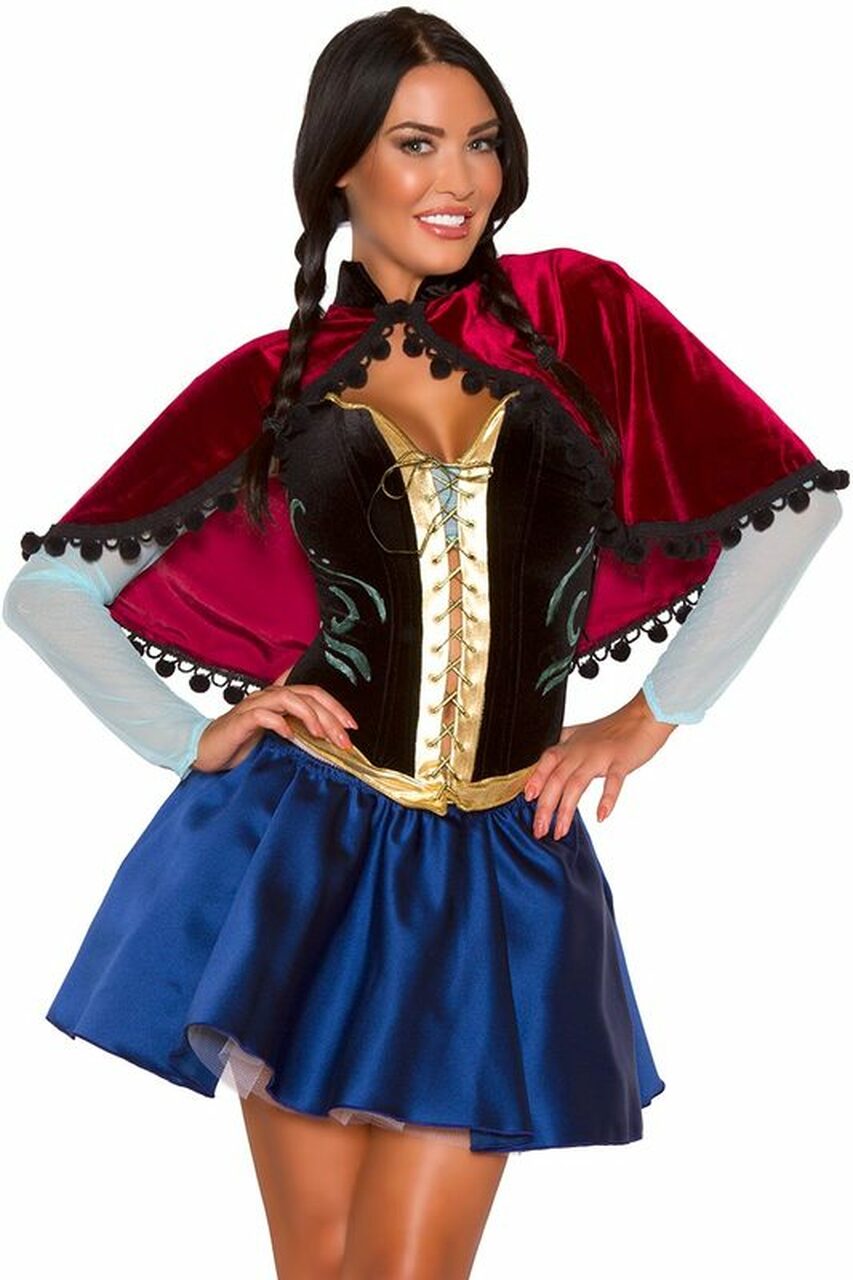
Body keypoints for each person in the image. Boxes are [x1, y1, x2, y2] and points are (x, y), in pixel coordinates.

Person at [3, 8, 847, 1278]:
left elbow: (795, 506)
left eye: (481, 143)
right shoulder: (280, 377)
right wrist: (193, 736)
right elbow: (51, 590)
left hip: (499, 855)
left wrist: (648, 716)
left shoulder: (584, 314)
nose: (459, 180)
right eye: (416, 144)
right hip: (306, 842)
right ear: (340, 163)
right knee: (323, 1262)